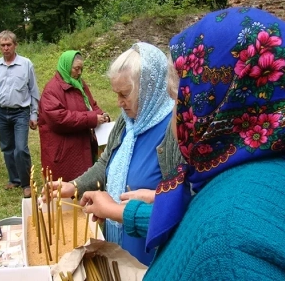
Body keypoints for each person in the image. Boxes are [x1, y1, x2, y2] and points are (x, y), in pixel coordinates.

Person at [80, 7, 285, 280]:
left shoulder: (229, 240)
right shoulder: (256, 172)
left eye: (178, 101)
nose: (175, 115)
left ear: (209, 105)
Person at [44, 42, 184, 265]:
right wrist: (75, 185)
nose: (119, 102)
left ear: (150, 88)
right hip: (118, 240)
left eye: (125, 94)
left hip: (151, 252)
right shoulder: (127, 123)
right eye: (116, 93)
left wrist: (136, 204)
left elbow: (182, 200)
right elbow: (105, 163)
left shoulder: (175, 130)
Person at [0, 30, 40, 198]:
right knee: (7, 148)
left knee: (20, 149)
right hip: (2, 112)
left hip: (21, 112)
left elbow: (34, 91)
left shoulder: (26, 64)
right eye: (2, 45)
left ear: (15, 45)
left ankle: (27, 183)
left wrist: (34, 115)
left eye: (9, 45)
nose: (6, 48)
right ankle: (14, 179)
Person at [38, 50, 109, 182]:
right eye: (76, 69)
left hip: (80, 144)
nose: (79, 72)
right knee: (64, 188)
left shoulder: (79, 83)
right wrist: (91, 118)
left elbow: (91, 104)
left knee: (82, 183)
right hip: (62, 149)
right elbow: (59, 119)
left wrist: (101, 115)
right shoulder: (52, 90)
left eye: (81, 69)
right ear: (66, 66)